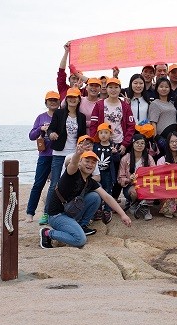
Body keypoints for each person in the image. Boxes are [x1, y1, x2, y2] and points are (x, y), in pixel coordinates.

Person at [40, 148, 132, 249]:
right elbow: (72, 164)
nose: (90, 164)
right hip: (57, 215)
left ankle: (81, 225)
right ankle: (48, 233)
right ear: (80, 162)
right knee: (80, 240)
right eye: (87, 161)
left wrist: (123, 215)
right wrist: (77, 154)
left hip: (70, 212)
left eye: (93, 162)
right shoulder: (72, 173)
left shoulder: (90, 181)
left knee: (95, 197)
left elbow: (107, 197)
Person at [41, 88, 87, 225]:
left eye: (75, 97)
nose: (72, 100)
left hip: (74, 153)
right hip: (59, 153)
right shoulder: (59, 113)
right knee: (54, 183)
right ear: (66, 99)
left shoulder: (81, 117)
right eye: (70, 97)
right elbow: (51, 129)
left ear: (79, 99)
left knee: (73, 183)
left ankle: (70, 211)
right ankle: (47, 212)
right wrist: (51, 134)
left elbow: (82, 136)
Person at [25, 91, 60, 223]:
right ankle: (30, 212)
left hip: (59, 155)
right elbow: (31, 136)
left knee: (57, 185)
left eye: (55, 100)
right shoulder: (41, 117)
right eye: (50, 100)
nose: (53, 102)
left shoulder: (62, 115)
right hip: (45, 155)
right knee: (38, 184)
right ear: (46, 102)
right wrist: (41, 128)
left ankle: (51, 212)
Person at [118, 133, 155, 221]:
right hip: (131, 186)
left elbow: (155, 173)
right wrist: (129, 179)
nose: (139, 145)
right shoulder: (125, 158)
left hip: (146, 185)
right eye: (137, 143)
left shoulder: (149, 158)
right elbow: (120, 178)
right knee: (134, 192)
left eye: (142, 143)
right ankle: (133, 202)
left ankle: (145, 207)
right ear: (133, 144)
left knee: (152, 190)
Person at [92, 122, 119, 224]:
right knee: (98, 190)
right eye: (101, 133)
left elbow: (117, 161)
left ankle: (107, 209)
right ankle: (98, 209)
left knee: (108, 191)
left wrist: (115, 153)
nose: (103, 135)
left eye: (106, 133)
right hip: (98, 173)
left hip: (108, 173)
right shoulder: (96, 146)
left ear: (110, 134)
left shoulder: (112, 147)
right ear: (98, 134)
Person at [149, 77, 177, 156]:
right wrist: (156, 138)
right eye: (161, 86)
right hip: (162, 136)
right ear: (157, 89)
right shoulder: (155, 103)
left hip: (173, 136)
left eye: (166, 87)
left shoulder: (171, 103)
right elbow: (153, 122)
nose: (164, 89)